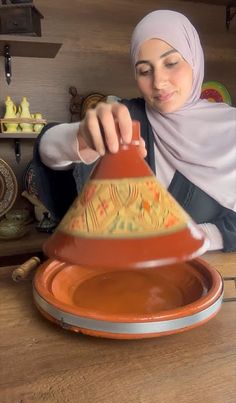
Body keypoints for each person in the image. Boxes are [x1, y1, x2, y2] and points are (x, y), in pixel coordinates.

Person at [34, 10, 236, 252]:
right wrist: (78, 138)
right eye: (144, 70)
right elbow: (49, 153)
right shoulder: (126, 118)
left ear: (194, 59)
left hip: (212, 281)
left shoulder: (230, 128)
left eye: (171, 63)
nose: (159, 82)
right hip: (122, 281)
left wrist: (200, 237)